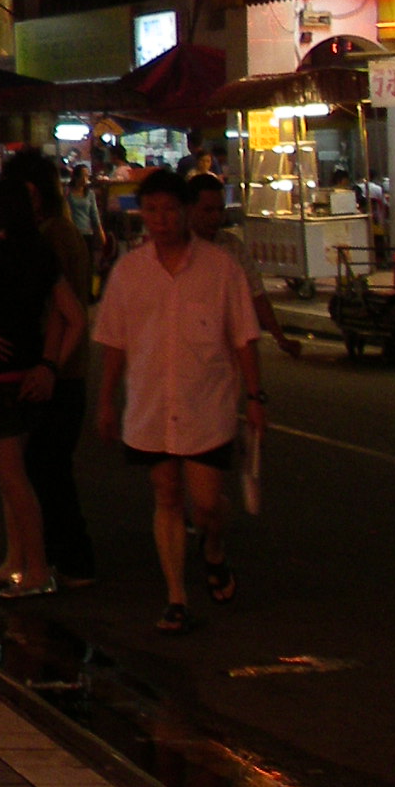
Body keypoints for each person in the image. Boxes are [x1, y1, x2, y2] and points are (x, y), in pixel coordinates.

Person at [93, 169, 268, 634]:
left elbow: (244, 337)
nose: (161, 219)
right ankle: (176, 597)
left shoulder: (220, 269)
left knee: (206, 503)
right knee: (167, 494)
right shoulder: (129, 272)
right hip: (151, 404)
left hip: (206, 405)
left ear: (185, 212)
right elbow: (114, 342)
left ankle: (213, 546)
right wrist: (106, 400)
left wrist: (255, 397)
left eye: (169, 209)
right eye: (152, 210)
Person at [0, 179, 84, 599]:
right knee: (16, 475)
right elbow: (75, 317)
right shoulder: (41, 253)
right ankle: (15, 562)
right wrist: (51, 365)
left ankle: (36, 568)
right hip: (31, 373)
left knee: (12, 479)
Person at [2, 148, 100, 586]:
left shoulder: (54, 236)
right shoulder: (52, 232)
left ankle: (72, 559)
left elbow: (61, 309)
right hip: (55, 366)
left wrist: (48, 364)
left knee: (47, 467)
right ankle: (59, 557)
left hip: (59, 369)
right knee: (46, 466)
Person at [186, 173, 305, 359]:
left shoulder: (232, 248)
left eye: (220, 210)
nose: (216, 217)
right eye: (208, 210)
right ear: (189, 209)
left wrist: (280, 338)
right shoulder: (174, 252)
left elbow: (256, 293)